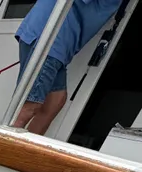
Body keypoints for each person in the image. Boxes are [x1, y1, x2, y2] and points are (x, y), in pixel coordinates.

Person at [12, 0, 123, 134]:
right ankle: (1, 149)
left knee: (56, 99)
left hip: (55, 41)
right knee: (30, 105)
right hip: (50, 38)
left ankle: (27, 148)